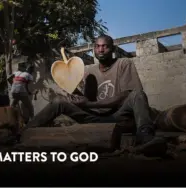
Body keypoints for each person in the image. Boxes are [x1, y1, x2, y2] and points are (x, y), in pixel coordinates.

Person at [16, 35, 166, 154]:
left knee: (138, 94)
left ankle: (146, 136)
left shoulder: (124, 64)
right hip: (94, 117)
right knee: (59, 101)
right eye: (97, 46)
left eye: (105, 46)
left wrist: (89, 104)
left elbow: (124, 96)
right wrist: (74, 94)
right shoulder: (89, 71)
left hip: (119, 116)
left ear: (112, 48)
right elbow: (87, 100)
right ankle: (25, 132)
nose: (101, 50)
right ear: (94, 49)